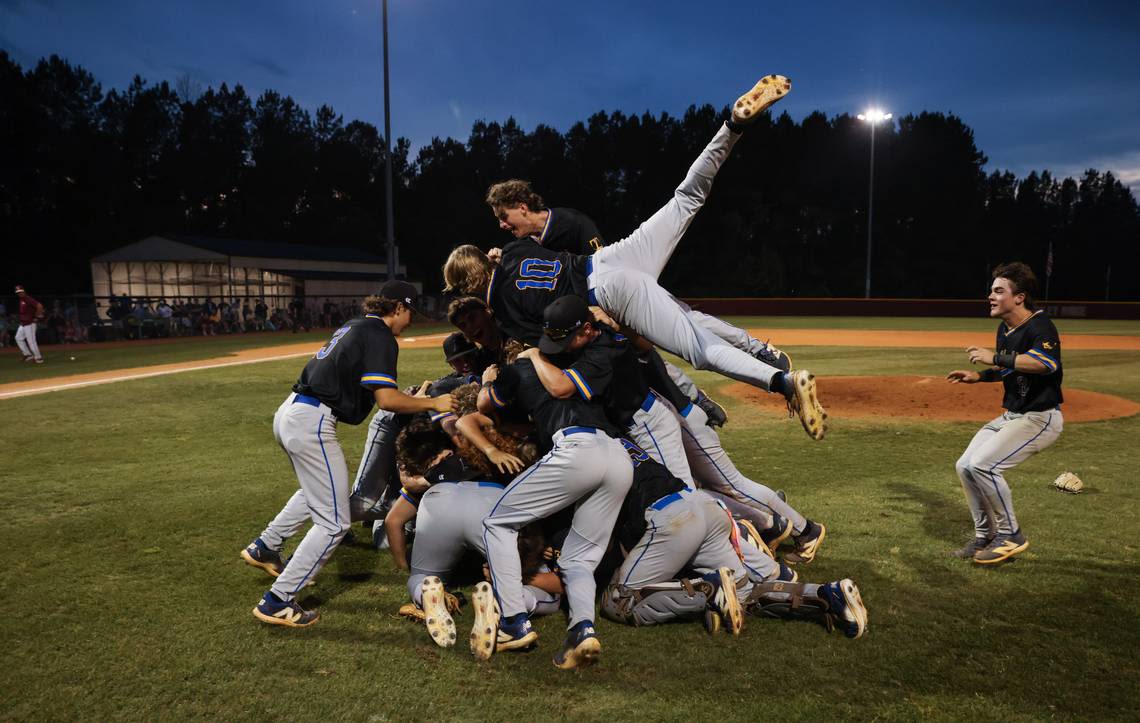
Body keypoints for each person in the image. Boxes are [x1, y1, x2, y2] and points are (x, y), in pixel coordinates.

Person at [443, 74, 826, 440]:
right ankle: (731, 126)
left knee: (698, 348)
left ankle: (784, 382)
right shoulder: (514, 249)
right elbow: (524, 260)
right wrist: (497, 260)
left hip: (609, 293)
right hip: (615, 257)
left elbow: (550, 337)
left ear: (468, 286)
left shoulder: (504, 310)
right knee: (686, 199)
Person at [238, 280, 458, 627]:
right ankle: (278, 600)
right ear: (398, 307)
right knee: (334, 522)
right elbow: (386, 401)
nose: (409, 321)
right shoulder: (381, 335)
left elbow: (374, 389)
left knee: (323, 495)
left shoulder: (355, 325)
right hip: (312, 421)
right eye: (409, 313)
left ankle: (267, 545)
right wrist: (432, 402)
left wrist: (408, 395)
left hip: (292, 412)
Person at [476, 344, 634, 670]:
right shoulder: (572, 366)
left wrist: (489, 380)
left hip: (577, 449)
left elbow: (481, 404)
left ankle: (513, 623)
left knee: (498, 524)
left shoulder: (519, 367)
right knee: (578, 559)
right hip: (619, 456)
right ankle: (582, 629)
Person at [947, 262, 1064, 564]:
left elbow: (1045, 363)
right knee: (965, 465)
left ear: (1019, 297)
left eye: (999, 291)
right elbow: (1010, 367)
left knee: (985, 465)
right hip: (1013, 415)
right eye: (991, 290)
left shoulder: (1041, 326)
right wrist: (981, 376)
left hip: (1040, 418)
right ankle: (985, 536)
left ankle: (1011, 534)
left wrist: (994, 356)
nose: (991, 295)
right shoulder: (1006, 328)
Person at [14, 284, 44, 363]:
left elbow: (39, 306)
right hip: (23, 324)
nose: (19, 293)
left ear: (24, 291)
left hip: (30, 324)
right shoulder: (22, 299)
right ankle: (28, 355)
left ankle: (38, 358)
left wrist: (36, 317)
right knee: (18, 338)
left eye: (20, 291)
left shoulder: (28, 299)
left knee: (31, 342)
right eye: (18, 292)